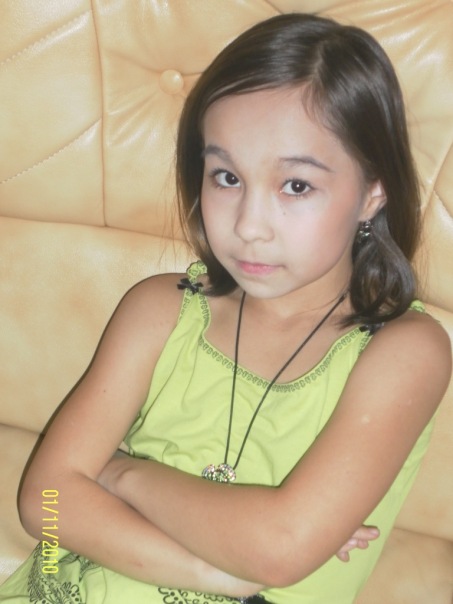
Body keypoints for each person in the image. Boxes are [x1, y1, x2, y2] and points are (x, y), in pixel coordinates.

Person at [0, 12, 450, 604]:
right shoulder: (160, 310)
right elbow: (46, 505)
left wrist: (120, 472)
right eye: (226, 177)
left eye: (296, 186)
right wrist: (218, 572)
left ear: (373, 192)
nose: (249, 226)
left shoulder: (405, 350)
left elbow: (279, 548)